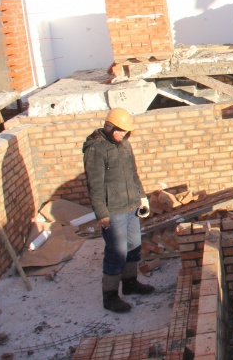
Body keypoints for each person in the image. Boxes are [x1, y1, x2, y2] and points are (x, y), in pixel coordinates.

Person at [83, 107, 154, 313]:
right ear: (109, 126)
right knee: (116, 252)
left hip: (131, 206)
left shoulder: (125, 146)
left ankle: (130, 284)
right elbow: (95, 186)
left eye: (126, 131)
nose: (124, 134)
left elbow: (133, 174)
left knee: (133, 246)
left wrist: (142, 196)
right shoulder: (96, 149)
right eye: (120, 130)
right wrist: (102, 214)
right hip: (113, 210)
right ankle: (110, 296)